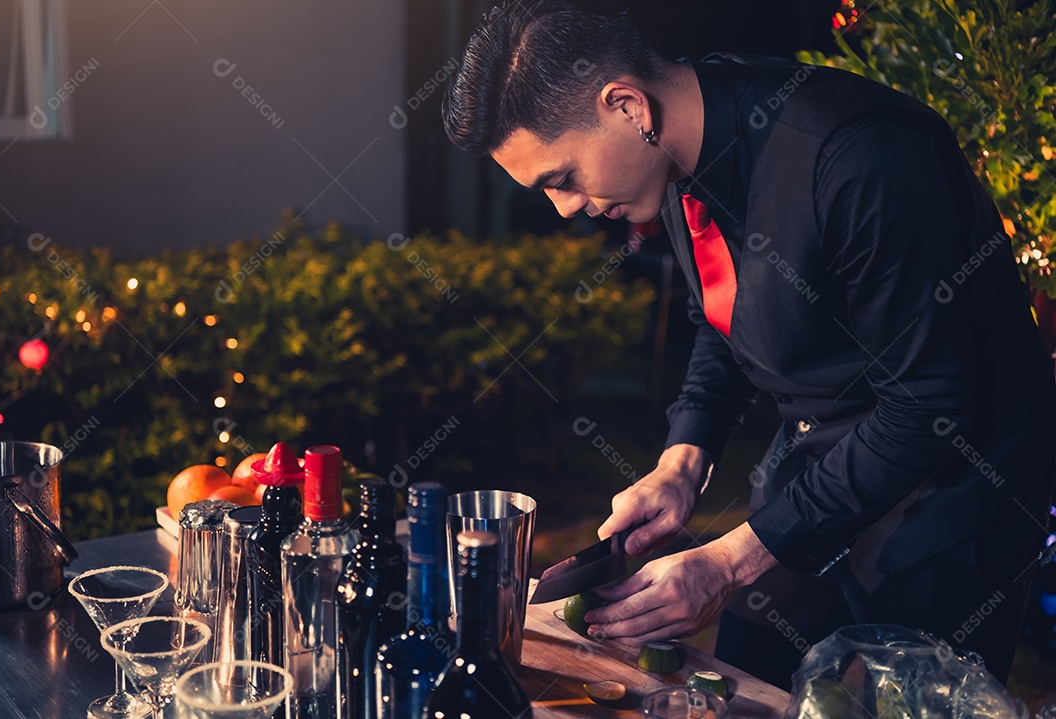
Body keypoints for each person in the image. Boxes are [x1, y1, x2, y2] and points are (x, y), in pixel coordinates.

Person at [442, 0, 1056, 689]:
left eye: (562, 177)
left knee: (901, 701)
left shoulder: (859, 157)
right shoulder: (672, 155)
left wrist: (731, 559)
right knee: (737, 679)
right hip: (823, 460)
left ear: (626, 106)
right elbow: (725, 312)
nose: (565, 209)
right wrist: (683, 459)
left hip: (956, 488)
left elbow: (924, 407)